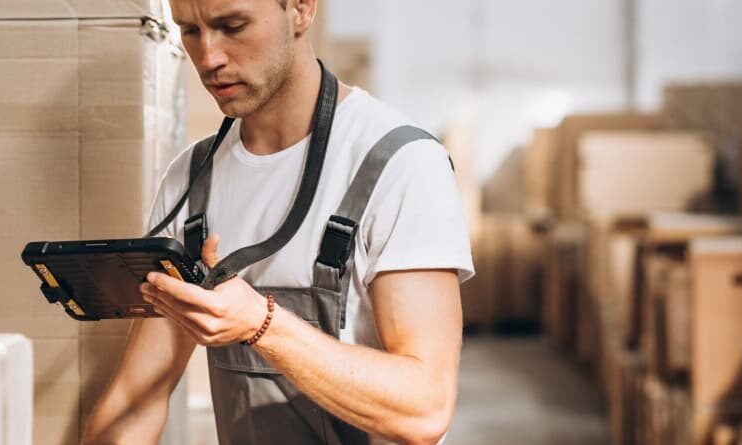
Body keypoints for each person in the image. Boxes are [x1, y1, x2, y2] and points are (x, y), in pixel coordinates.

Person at [82, 0, 474, 444]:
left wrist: (261, 323)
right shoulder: (190, 182)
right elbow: (137, 398)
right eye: (189, 31)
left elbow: (425, 409)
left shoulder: (400, 165)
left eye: (232, 26)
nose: (209, 58)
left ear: (302, 9)